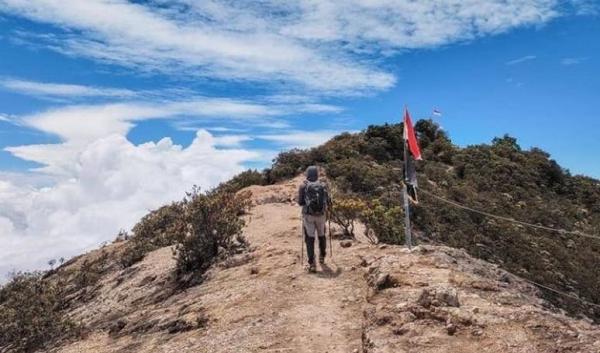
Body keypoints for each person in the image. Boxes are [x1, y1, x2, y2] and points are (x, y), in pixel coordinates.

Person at [298, 166, 330, 273]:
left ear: (307, 174)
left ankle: (311, 263)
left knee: (309, 237)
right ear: (317, 174)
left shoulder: (303, 186)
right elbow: (328, 201)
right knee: (321, 235)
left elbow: (300, 202)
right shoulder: (323, 185)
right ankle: (322, 256)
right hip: (321, 215)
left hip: (308, 215)